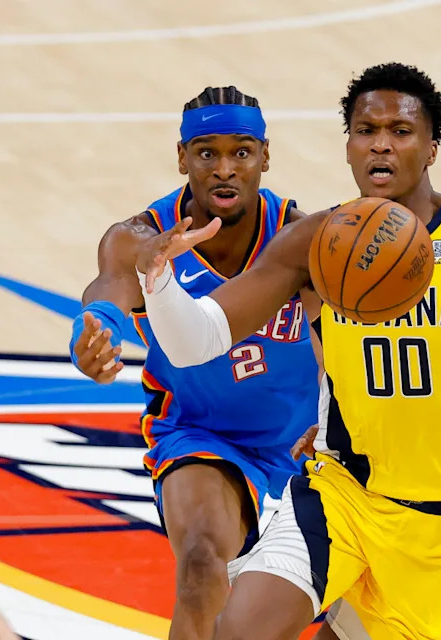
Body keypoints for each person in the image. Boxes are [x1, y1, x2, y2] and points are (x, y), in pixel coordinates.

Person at [132, 62, 441, 640]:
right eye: (366, 131)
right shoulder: (317, 242)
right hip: (340, 495)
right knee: (239, 630)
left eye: (400, 131)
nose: (381, 145)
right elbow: (197, 340)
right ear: (347, 146)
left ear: (432, 148)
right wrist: (159, 282)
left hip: (439, 523)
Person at [68, 86, 320, 640]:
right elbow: (110, 287)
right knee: (203, 565)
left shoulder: (300, 237)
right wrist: (96, 329)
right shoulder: (141, 238)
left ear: (265, 157)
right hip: (203, 436)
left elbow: (346, 338)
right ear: (182, 158)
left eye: (241, 152)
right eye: (207, 153)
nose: (225, 169)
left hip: (307, 446)